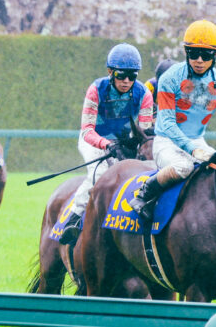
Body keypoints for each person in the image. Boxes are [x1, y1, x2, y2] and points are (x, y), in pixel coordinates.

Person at [129, 20, 216, 221]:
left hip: (198, 141)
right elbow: (168, 124)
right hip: (165, 142)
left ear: (215, 54)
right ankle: (144, 193)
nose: (198, 60)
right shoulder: (170, 78)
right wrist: (192, 150)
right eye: (192, 53)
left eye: (205, 55)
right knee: (184, 167)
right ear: (185, 52)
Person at [59, 43, 154, 246]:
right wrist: (107, 145)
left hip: (123, 142)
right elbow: (87, 130)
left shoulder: (144, 94)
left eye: (132, 76)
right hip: (93, 140)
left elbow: (144, 132)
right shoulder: (96, 90)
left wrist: (132, 145)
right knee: (100, 174)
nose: (127, 81)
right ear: (110, 72)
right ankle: (74, 217)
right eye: (121, 75)